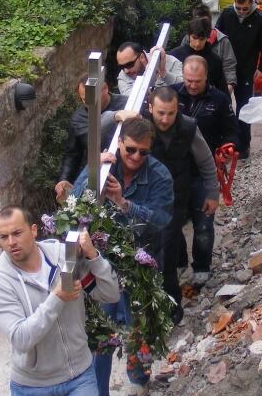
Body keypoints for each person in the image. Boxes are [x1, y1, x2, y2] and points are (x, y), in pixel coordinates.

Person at [0, 206, 120, 396]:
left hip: (78, 377)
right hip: (31, 387)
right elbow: (22, 338)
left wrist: (94, 257)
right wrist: (57, 296)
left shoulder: (64, 258)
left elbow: (109, 294)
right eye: (3, 236)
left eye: (17, 233)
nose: (11, 242)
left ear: (33, 231)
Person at [72, 117, 173, 396]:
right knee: (101, 332)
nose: (136, 157)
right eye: (130, 150)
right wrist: (92, 171)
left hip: (142, 264)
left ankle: (139, 380)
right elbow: (74, 206)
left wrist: (124, 204)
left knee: (138, 327)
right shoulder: (105, 166)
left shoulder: (159, 176)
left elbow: (162, 220)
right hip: (104, 263)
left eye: (143, 152)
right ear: (119, 144)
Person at [107, 89, 218, 317]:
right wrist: (115, 115)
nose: (165, 119)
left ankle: (171, 308)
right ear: (149, 108)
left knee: (165, 253)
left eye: (171, 113)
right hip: (142, 198)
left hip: (175, 197)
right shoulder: (137, 125)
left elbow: (206, 160)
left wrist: (212, 192)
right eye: (160, 113)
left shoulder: (187, 128)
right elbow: (96, 127)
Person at [173, 56, 239, 284]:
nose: (192, 85)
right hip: (175, 171)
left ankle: (202, 266)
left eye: (197, 81)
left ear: (206, 78)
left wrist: (229, 147)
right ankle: (178, 262)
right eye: (188, 80)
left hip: (204, 172)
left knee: (203, 222)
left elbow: (232, 131)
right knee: (173, 222)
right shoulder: (171, 96)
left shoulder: (219, 100)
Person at [215, 0, 262, 159]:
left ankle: (243, 144)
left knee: (244, 107)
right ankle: (224, 141)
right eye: (238, 8)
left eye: (245, 9)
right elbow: (216, 36)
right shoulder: (227, 14)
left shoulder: (259, 18)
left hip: (247, 67)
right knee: (222, 104)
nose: (241, 12)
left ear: (251, 4)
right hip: (226, 67)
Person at [55, 74, 128, 202]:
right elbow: (72, 154)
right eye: (84, 100)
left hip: (126, 173)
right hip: (96, 177)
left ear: (105, 89)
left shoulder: (127, 104)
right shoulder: (78, 119)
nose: (88, 104)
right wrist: (64, 179)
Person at [182, 4, 238, 95]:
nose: (197, 43)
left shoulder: (222, 41)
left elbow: (229, 64)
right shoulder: (186, 40)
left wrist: (230, 84)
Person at [169, 16, 228, 91]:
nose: (197, 43)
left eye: (201, 39)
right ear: (189, 35)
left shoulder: (215, 60)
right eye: (194, 38)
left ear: (207, 37)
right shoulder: (175, 55)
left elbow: (222, 90)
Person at [115, 41, 183, 95]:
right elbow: (132, 100)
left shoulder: (170, 61)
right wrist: (148, 74)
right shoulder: (122, 76)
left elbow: (187, 86)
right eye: (121, 67)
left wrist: (164, 73)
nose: (126, 71)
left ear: (141, 57)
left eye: (129, 65)